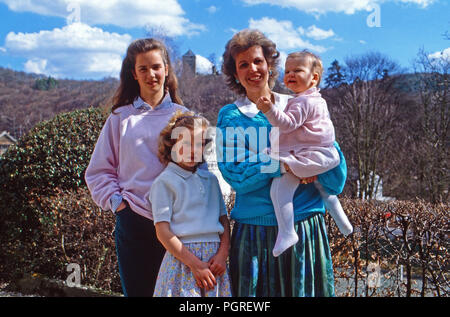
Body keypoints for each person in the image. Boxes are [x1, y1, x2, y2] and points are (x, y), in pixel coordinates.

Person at [217, 29, 347, 297]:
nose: (252, 69)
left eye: (258, 61)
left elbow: (336, 174)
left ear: (269, 65)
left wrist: (317, 166)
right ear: (235, 73)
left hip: (306, 227)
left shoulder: (302, 104)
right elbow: (236, 173)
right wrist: (289, 166)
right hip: (254, 232)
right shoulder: (231, 117)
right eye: (243, 64)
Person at [85, 38, 187, 296]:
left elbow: (198, 172)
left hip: (178, 224)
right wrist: (119, 205)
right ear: (134, 73)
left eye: (156, 67)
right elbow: (98, 171)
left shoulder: (184, 116)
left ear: (166, 69)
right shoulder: (120, 118)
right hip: (134, 221)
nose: (151, 74)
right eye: (143, 68)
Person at [256, 51, 353, 257]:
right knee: (323, 189)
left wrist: (269, 110)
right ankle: (342, 221)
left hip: (309, 155)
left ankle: (287, 232)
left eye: (297, 70)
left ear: (314, 78)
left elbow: (287, 124)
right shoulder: (317, 100)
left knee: (280, 189)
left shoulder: (303, 102)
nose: (290, 74)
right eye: (287, 70)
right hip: (321, 154)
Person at [151, 111, 232, 297]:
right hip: (183, 263)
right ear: (172, 144)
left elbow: (223, 220)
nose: (193, 150)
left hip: (215, 264)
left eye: (199, 144)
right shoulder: (164, 182)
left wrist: (222, 253)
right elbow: (163, 232)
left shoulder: (211, 180)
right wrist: (195, 265)